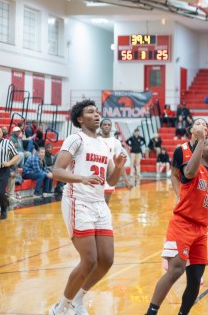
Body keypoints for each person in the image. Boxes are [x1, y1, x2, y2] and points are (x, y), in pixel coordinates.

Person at [49, 100, 127, 315]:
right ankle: (61, 306)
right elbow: (57, 171)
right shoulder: (76, 139)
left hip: (99, 204)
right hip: (78, 202)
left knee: (107, 260)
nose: (96, 114)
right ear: (80, 119)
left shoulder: (104, 144)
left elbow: (111, 180)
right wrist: (81, 178)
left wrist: (118, 167)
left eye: (97, 111)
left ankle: (78, 299)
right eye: (90, 112)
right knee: (90, 260)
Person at [145, 127, 208, 315]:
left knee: (196, 277)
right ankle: (151, 312)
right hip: (182, 224)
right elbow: (190, 170)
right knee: (175, 270)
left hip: (201, 231)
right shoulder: (192, 167)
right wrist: (200, 140)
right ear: (200, 147)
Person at [170, 118, 208, 205]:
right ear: (191, 130)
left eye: (204, 125)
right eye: (198, 124)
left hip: (205, 199)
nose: (201, 126)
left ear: (206, 131)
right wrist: (178, 196)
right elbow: (174, 175)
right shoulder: (180, 150)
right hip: (186, 198)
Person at [99, 119, 128, 204]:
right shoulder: (96, 140)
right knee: (97, 201)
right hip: (97, 173)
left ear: (111, 127)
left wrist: (126, 180)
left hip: (110, 174)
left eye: (109, 125)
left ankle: (104, 217)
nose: (107, 126)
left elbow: (120, 162)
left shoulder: (116, 142)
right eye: (104, 124)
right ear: (100, 127)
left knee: (106, 201)